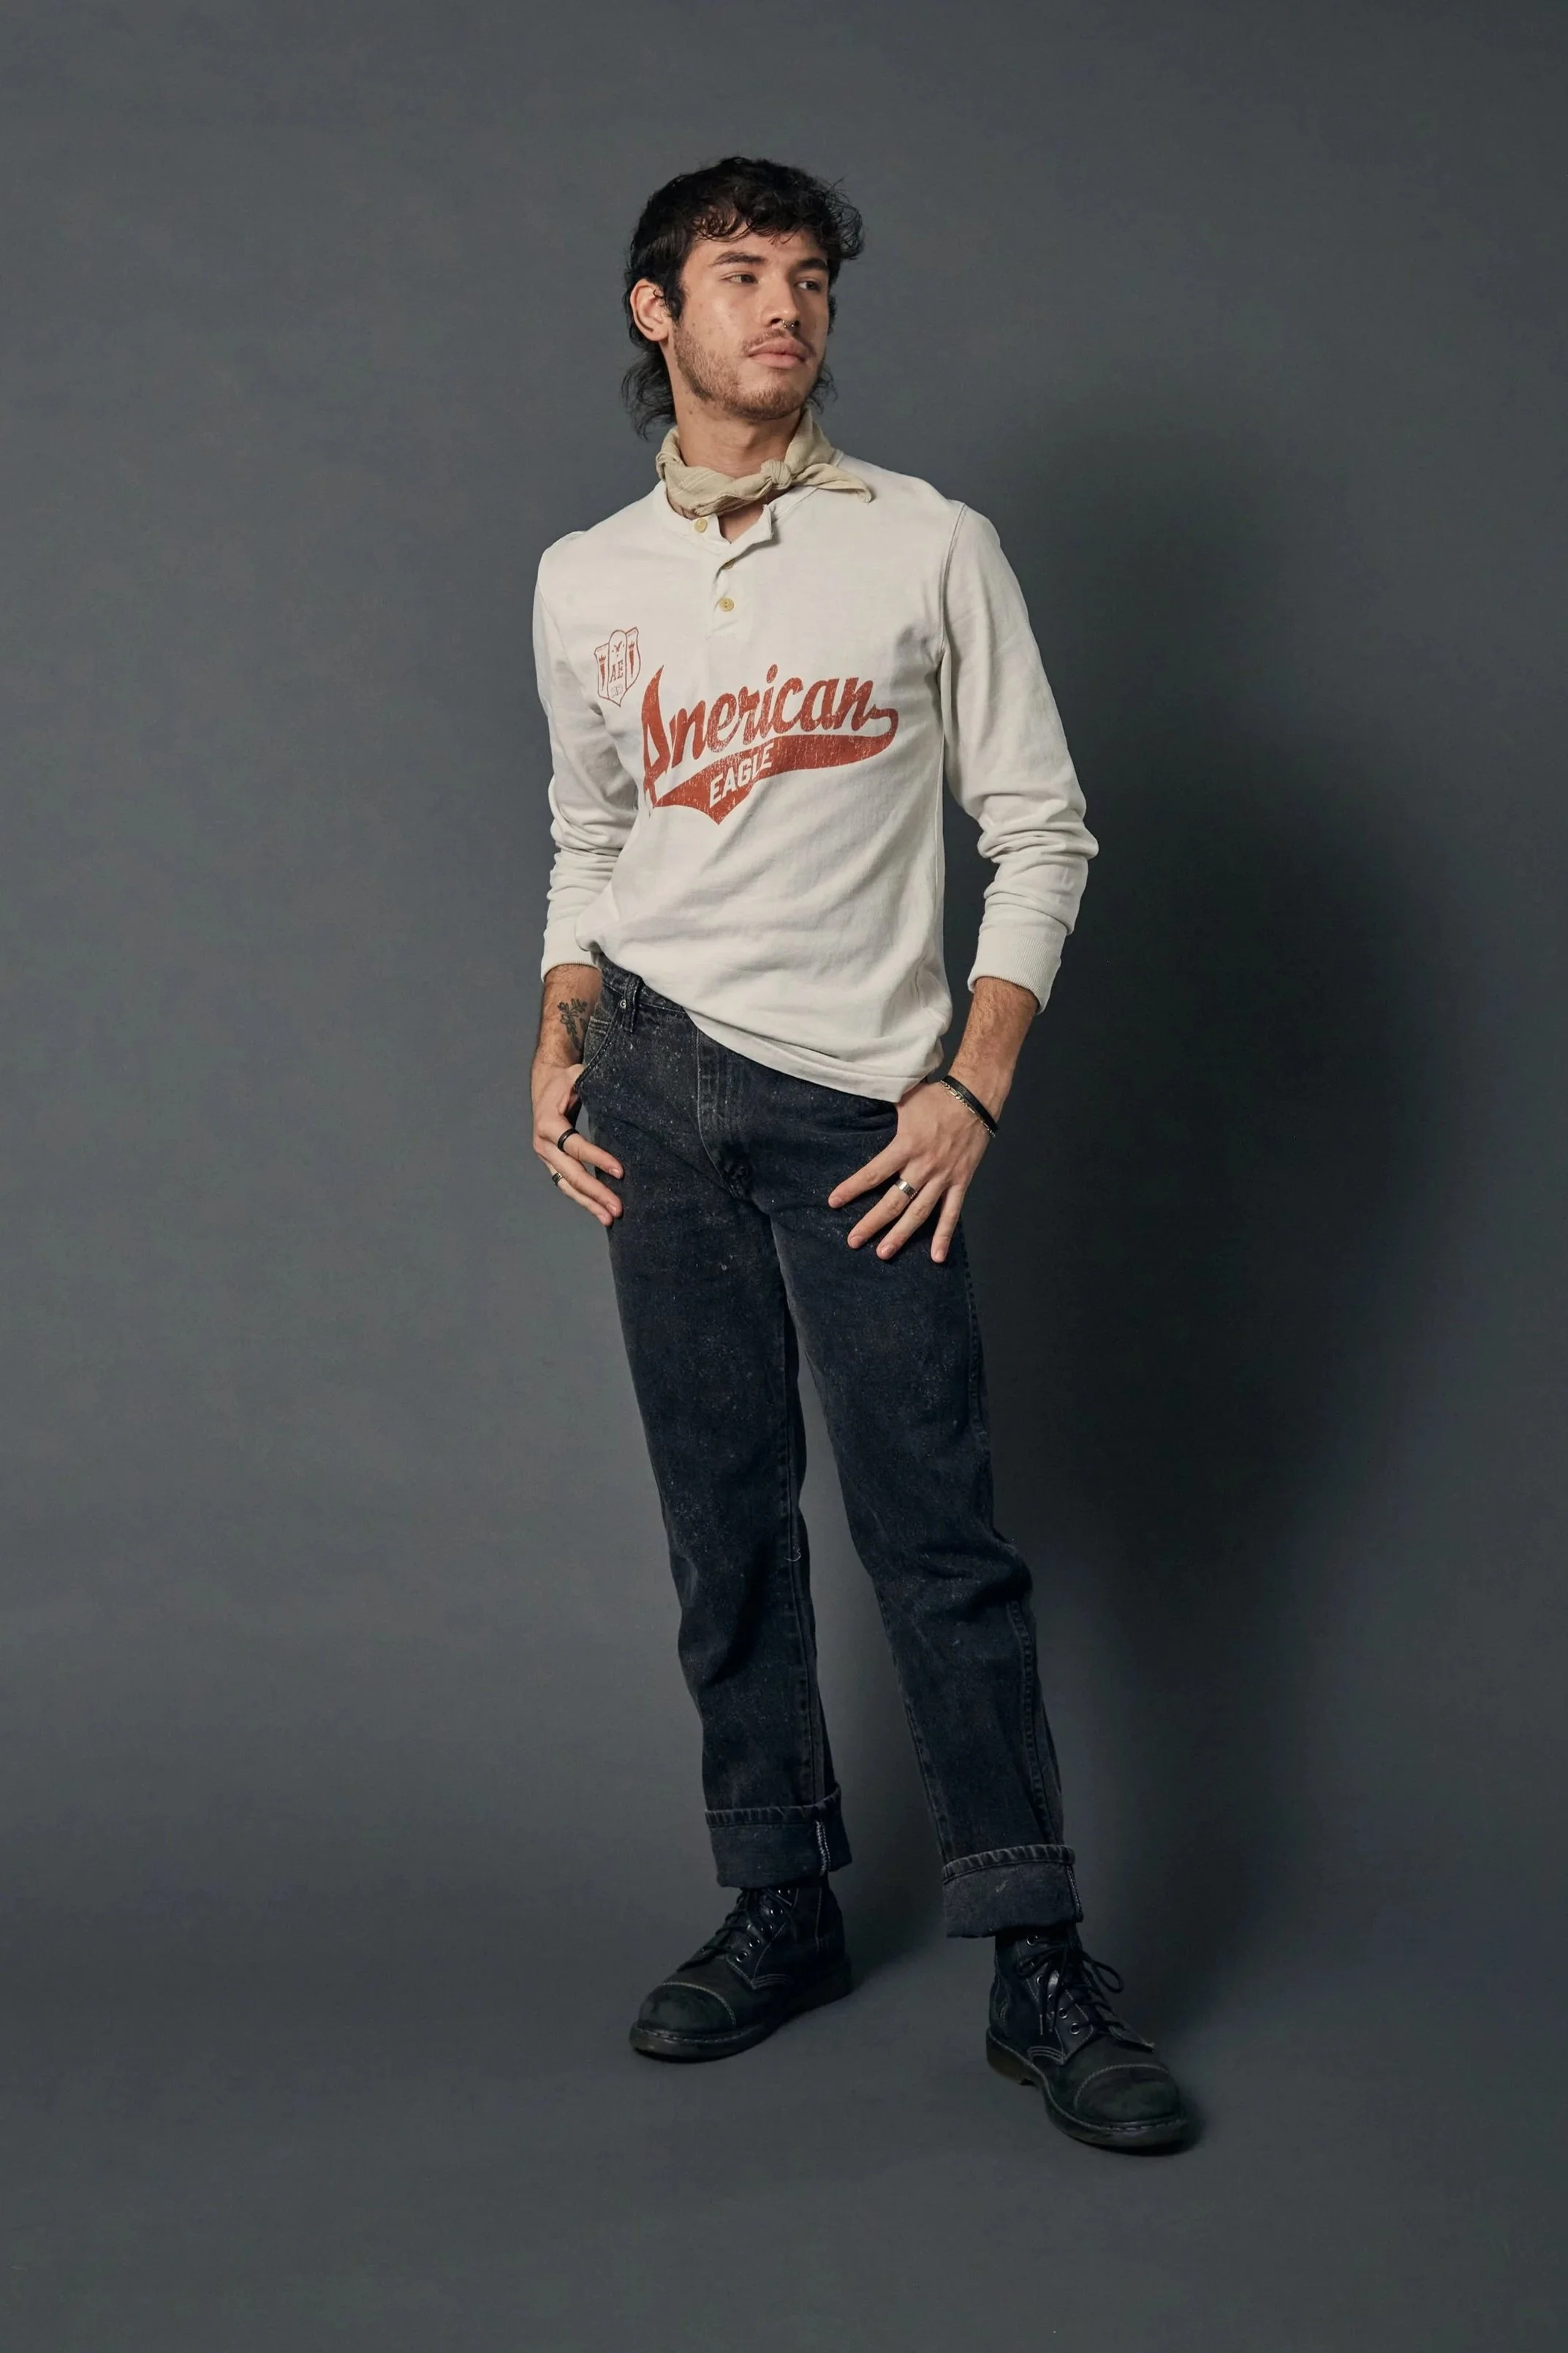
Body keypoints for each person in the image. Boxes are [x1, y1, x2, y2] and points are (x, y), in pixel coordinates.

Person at [528, 156, 1192, 2153]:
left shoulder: (927, 546)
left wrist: (966, 1085)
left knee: (938, 1541)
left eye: (810, 280)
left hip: (862, 1116)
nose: (786, 311)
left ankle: (1038, 1956)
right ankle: (781, 1899)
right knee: (722, 1530)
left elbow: (1044, 830)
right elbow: (590, 837)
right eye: (742, 277)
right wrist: (552, 1046)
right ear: (660, 310)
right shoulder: (585, 578)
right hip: (651, 1088)